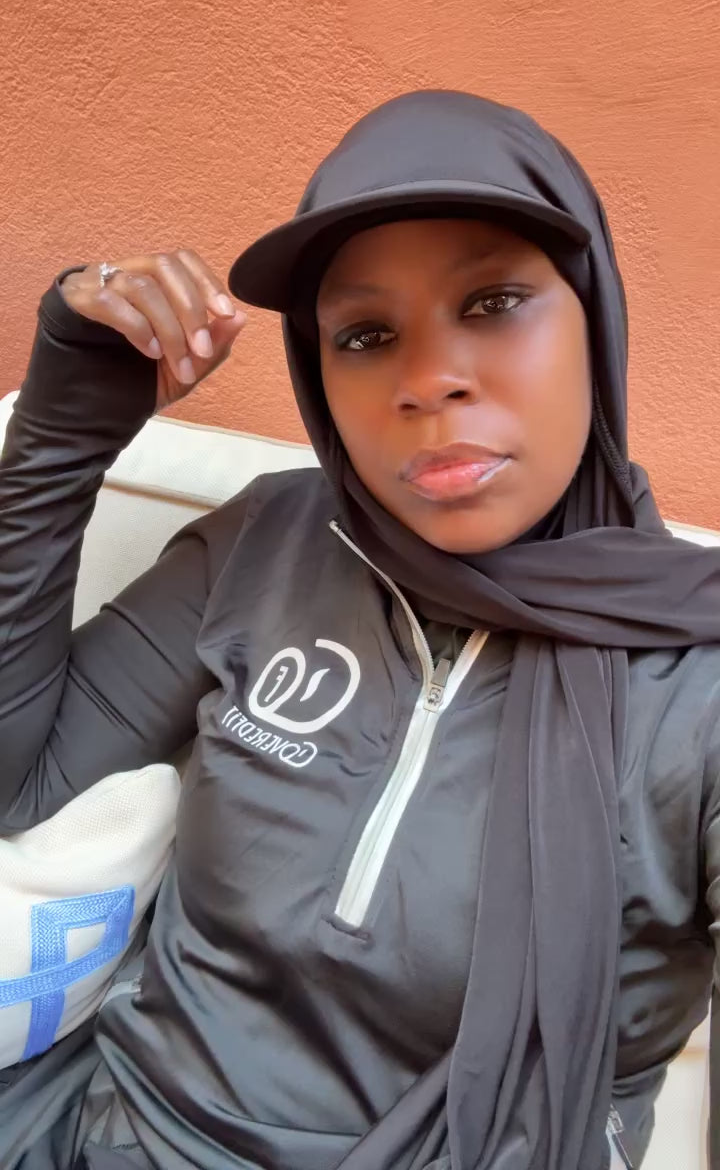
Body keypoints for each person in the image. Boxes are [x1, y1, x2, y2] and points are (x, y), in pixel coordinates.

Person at [1, 89, 719, 1170]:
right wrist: (62, 433)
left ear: (595, 319)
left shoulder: (699, 680)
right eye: (367, 334)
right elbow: (17, 780)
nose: (428, 380)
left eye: (493, 301)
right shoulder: (271, 541)